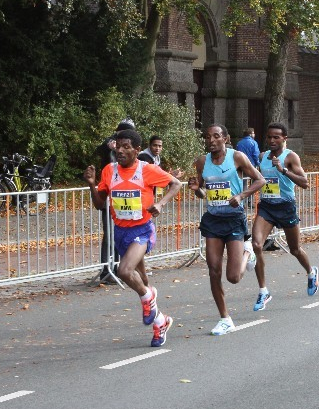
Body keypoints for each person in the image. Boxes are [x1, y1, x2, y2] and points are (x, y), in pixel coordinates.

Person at [83, 129, 182, 347]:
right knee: (143, 281)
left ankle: (148, 298)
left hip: (142, 230)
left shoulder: (147, 170)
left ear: (137, 150)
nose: (120, 150)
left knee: (124, 271)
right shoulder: (109, 170)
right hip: (120, 231)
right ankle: (161, 321)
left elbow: (176, 184)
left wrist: (160, 203)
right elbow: (100, 204)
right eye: (118, 146)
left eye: (126, 147)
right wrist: (91, 184)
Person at [188, 124, 265, 335]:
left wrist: (241, 196)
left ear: (225, 138)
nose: (211, 140)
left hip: (233, 219)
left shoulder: (237, 157)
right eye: (208, 137)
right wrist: (196, 190)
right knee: (213, 270)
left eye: (216, 136)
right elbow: (203, 192)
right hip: (213, 219)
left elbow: (260, 180)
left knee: (233, 277)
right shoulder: (202, 161)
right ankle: (225, 318)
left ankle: (248, 253)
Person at [250, 123, 319, 312]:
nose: (272, 140)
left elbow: (305, 183)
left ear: (284, 139)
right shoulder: (262, 156)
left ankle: (311, 272)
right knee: (256, 245)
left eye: (276, 137)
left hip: (286, 207)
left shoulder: (290, 157)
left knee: (295, 249)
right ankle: (263, 291)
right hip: (267, 207)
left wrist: (283, 170)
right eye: (269, 137)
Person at [94, 119, 136, 280]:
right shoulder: (110, 145)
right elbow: (99, 152)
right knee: (109, 235)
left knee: (120, 235)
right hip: (110, 197)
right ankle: (107, 270)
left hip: (124, 200)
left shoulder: (130, 147)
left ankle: (118, 268)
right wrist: (108, 146)